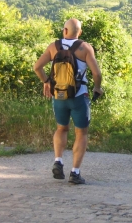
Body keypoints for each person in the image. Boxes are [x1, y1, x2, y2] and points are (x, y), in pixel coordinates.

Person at [33, 18, 103, 184]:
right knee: (81, 133)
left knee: (61, 129)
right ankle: (75, 173)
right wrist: (97, 88)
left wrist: (47, 82)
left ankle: (58, 160)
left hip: (58, 96)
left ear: (64, 31)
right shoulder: (84, 47)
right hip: (79, 96)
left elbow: (37, 67)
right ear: (80, 32)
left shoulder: (53, 47)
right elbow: (97, 74)